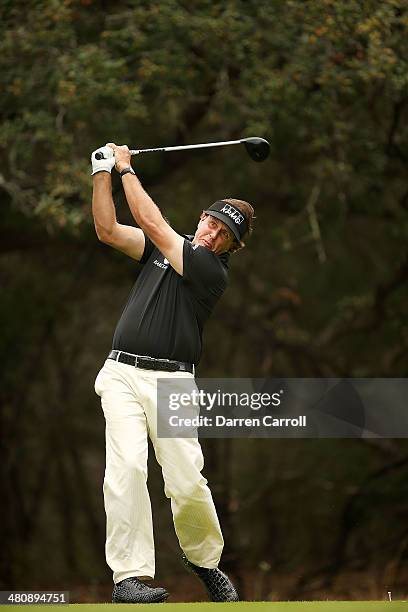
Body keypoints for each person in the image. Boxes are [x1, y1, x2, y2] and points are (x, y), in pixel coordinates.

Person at [91, 143, 254, 604]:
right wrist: (100, 172)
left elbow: (154, 224)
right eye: (211, 222)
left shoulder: (209, 270)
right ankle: (129, 577)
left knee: (186, 482)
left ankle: (205, 563)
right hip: (121, 374)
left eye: (224, 234)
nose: (212, 234)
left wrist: (125, 168)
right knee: (124, 471)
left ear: (231, 248)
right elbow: (106, 230)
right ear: (201, 216)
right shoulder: (166, 250)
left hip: (173, 383)